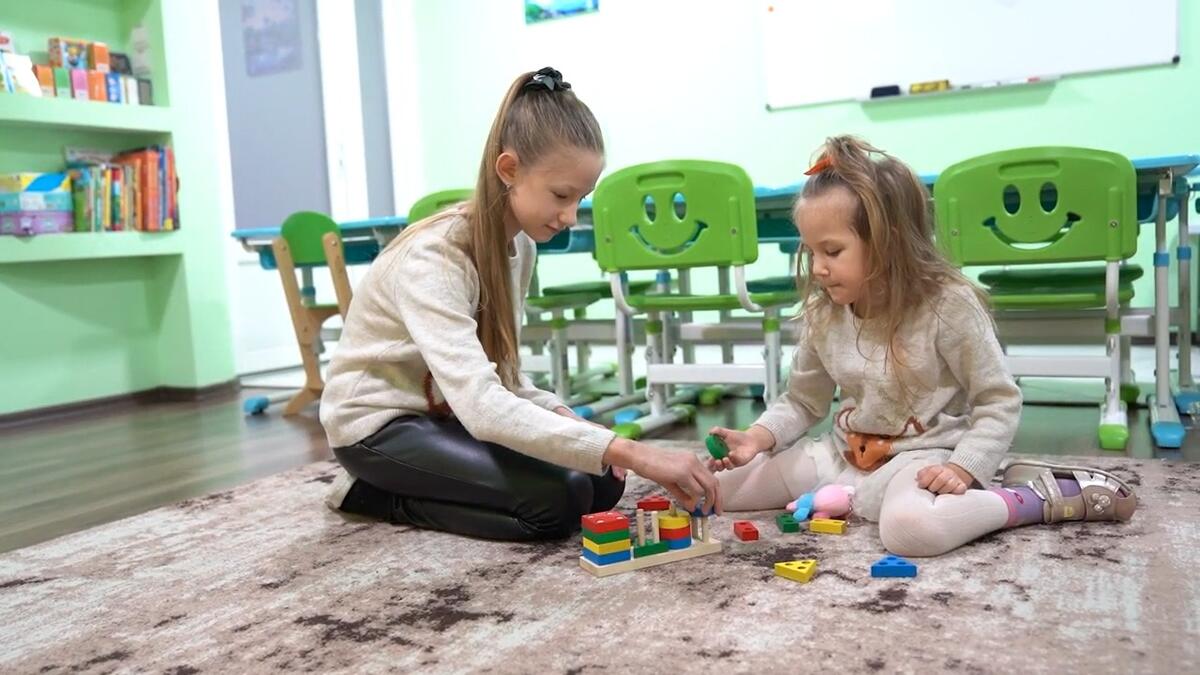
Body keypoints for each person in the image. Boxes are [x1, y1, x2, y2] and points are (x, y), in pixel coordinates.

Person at [319, 67, 719, 542]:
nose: (570, 216)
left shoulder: (520, 247)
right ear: (508, 170)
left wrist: (573, 424)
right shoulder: (434, 258)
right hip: (378, 428)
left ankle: (444, 481)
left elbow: (504, 381)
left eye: (581, 198)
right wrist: (631, 450)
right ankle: (372, 494)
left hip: (445, 417)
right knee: (556, 503)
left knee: (600, 485)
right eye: (561, 196)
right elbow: (485, 408)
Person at [708, 135, 1136, 557]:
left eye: (833, 251)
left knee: (912, 531)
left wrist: (964, 467)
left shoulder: (947, 304)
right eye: (810, 251)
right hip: (839, 455)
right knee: (709, 492)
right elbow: (802, 402)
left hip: (920, 457)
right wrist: (756, 438)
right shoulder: (825, 314)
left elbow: (997, 399)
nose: (818, 268)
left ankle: (1032, 500)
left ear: (887, 240)